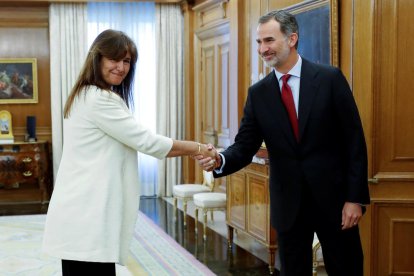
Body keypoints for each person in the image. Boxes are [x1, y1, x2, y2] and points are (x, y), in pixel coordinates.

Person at [196, 10, 370, 276]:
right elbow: (245, 145)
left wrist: (354, 199)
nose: (262, 49)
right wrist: (220, 159)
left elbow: (354, 141)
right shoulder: (258, 94)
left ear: (292, 39)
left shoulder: (329, 79)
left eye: (269, 40)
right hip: (289, 207)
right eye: (259, 42)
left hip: (335, 203)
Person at [42, 29, 215, 276]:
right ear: (98, 58)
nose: (121, 67)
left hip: (81, 208)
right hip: (88, 211)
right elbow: (148, 143)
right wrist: (197, 148)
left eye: (127, 61)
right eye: (115, 59)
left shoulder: (86, 94)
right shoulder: (98, 99)